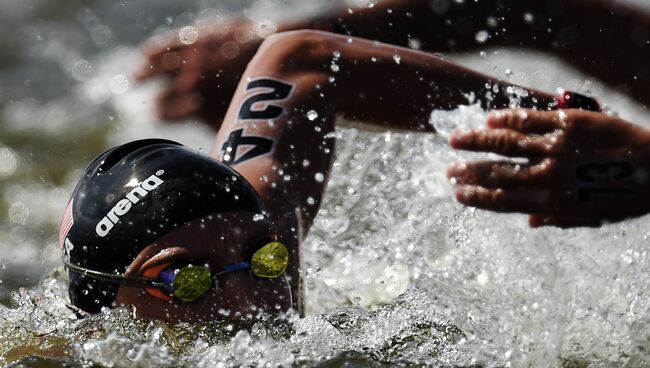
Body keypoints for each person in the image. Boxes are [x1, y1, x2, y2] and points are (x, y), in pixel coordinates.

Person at [60, 1, 649, 322]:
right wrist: (560, 118)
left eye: (265, 262)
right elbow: (298, 60)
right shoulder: (245, 228)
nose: (249, 305)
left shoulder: (248, 242)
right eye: (183, 281)